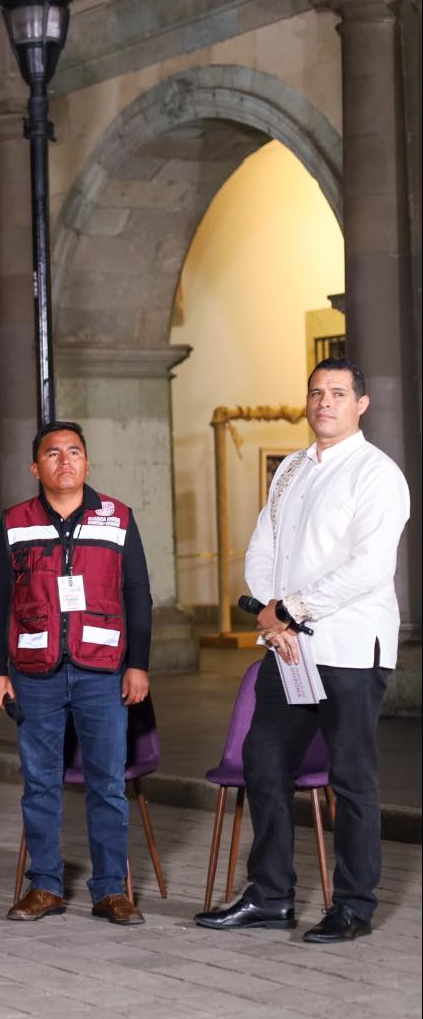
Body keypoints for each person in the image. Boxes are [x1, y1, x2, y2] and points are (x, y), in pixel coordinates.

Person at [195, 358, 410, 943]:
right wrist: (273, 614)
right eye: (316, 393)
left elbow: (367, 568)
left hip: (347, 645)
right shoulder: (290, 468)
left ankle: (354, 905)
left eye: (338, 393)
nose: (325, 403)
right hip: (287, 649)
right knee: (264, 761)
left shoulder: (377, 473)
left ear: (361, 404)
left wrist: (292, 607)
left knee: (351, 777)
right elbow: (262, 546)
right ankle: (270, 897)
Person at [0, 421, 152, 926]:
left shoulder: (117, 518)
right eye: (52, 454)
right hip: (35, 672)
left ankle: (110, 891)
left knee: (107, 783)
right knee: (39, 783)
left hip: (103, 671)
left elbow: (137, 595)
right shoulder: (15, 522)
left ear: (87, 462)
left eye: (74, 452)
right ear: (36, 467)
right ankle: (45, 886)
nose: (65, 461)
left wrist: (138, 664)